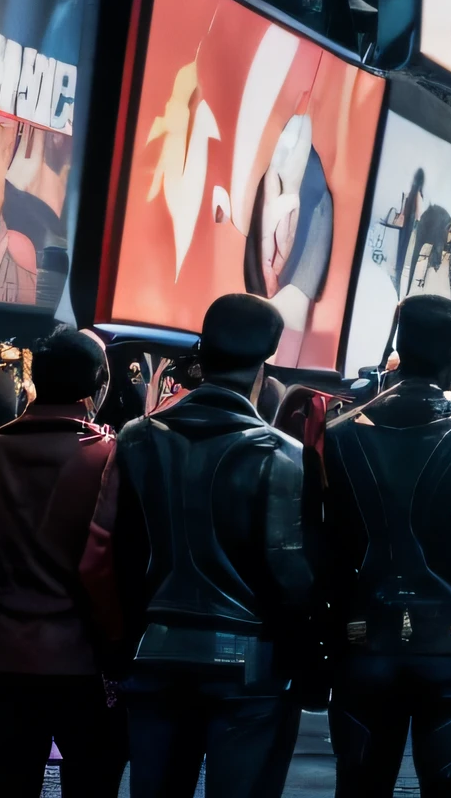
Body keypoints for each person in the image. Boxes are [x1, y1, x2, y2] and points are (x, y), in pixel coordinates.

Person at [91, 294, 314, 798]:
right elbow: (290, 573)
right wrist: (302, 657)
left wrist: (118, 649)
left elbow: (117, 552)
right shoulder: (282, 454)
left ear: (201, 349)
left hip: (153, 651)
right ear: (266, 360)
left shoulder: (136, 438)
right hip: (250, 664)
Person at [313, 293, 451, 798]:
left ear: (400, 347)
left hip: (362, 643)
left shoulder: (338, 436)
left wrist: (323, 641)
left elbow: (320, 549)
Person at [0, 327, 123, 798]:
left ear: (34, 380)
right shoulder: (110, 458)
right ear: (97, 385)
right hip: (82, 662)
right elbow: (105, 565)